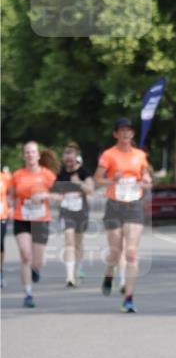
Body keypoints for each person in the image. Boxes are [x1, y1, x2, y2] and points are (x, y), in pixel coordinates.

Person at [95, 118, 152, 313]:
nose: (126, 134)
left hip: (134, 205)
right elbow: (97, 180)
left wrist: (145, 180)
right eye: (122, 130)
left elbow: (146, 178)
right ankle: (109, 272)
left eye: (129, 130)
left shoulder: (140, 155)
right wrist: (112, 179)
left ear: (133, 134)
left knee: (131, 253)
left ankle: (128, 298)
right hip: (114, 205)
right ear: (116, 134)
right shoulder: (108, 155)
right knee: (115, 252)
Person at [10, 141, 58, 308]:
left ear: (38, 155)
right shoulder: (17, 175)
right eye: (27, 152)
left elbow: (58, 195)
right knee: (25, 255)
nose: (30, 155)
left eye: (33, 152)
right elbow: (11, 196)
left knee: (38, 261)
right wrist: (10, 207)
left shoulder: (47, 175)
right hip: (21, 218)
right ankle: (28, 293)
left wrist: (45, 196)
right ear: (24, 156)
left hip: (41, 220)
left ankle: (35, 270)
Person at [57, 142, 95, 287]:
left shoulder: (84, 172)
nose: (68, 157)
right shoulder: (60, 173)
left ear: (76, 156)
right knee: (69, 242)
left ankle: (79, 265)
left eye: (71, 154)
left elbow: (91, 190)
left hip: (81, 212)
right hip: (66, 212)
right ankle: (69, 276)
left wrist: (78, 183)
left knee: (78, 243)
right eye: (66, 154)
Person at [1, 166, 13, 288]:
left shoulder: (4, 178)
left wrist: (10, 207)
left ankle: (0, 271)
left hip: (2, 216)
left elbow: (11, 194)